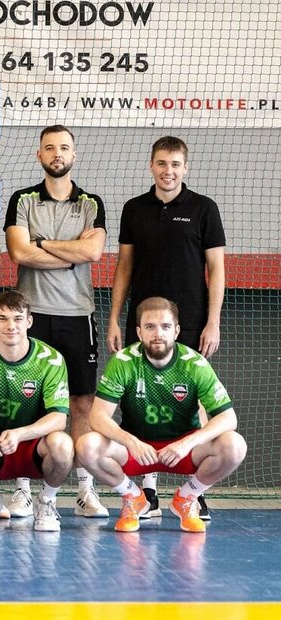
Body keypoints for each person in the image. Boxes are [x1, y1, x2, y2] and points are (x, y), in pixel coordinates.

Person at [106, 136, 227, 520]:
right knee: (141, 400)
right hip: (144, 321)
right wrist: (114, 316)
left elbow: (217, 269)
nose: (168, 171)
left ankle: (191, 494)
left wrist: (213, 321)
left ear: (185, 168)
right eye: (161, 163)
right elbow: (123, 267)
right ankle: (147, 490)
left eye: (175, 164)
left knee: (195, 402)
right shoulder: (134, 209)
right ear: (151, 166)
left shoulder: (204, 209)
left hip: (189, 320)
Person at [4, 125, 108, 519]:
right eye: (50, 147)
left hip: (77, 316)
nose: (57, 153)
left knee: (81, 402)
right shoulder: (22, 199)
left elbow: (94, 252)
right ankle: (23, 490)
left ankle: (84, 490)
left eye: (64, 147)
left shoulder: (91, 203)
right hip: (33, 315)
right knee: (27, 403)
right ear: (39, 155)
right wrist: (69, 253)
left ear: (74, 155)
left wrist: (43, 242)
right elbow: (19, 252)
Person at [77, 297, 244, 533]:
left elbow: (228, 418)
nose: (158, 334)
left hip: (183, 451)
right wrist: (131, 441)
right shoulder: (123, 362)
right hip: (137, 450)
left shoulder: (194, 364)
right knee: (86, 445)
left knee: (234, 445)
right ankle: (133, 497)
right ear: (138, 331)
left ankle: (187, 498)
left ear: (176, 331)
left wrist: (187, 444)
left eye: (165, 327)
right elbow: (97, 417)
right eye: (150, 327)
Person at [0, 291, 74, 532]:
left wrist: (21, 434)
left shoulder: (51, 359)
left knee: (63, 445)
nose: (11, 326)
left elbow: (59, 418)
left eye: (18, 319)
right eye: (3, 319)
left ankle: (47, 502)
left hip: (35, 444)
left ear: (29, 321)